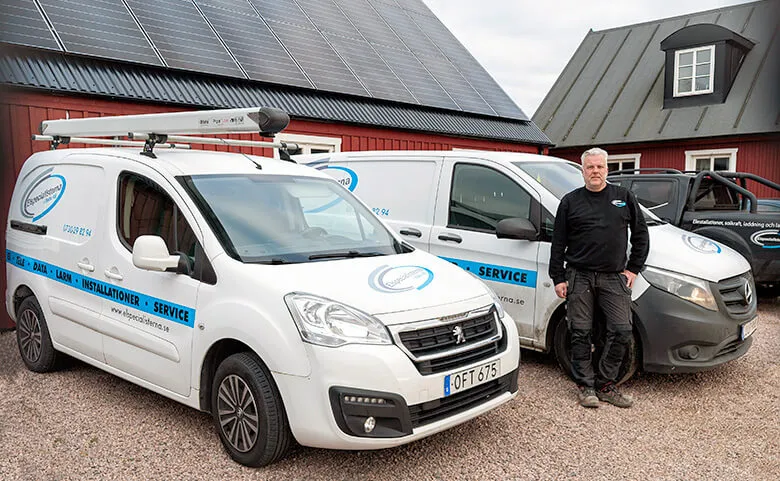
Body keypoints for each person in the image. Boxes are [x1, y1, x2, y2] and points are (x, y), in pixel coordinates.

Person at [549, 148, 649, 408]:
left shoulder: (623, 197)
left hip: (614, 277)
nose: (595, 171)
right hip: (579, 276)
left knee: (622, 330)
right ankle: (586, 386)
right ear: (583, 171)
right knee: (580, 332)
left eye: (600, 167)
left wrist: (633, 269)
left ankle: (605, 384)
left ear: (607, 169)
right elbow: (558, 243)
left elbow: (641, 235)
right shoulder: (570, 202)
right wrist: (558, 277)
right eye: (590, 167)